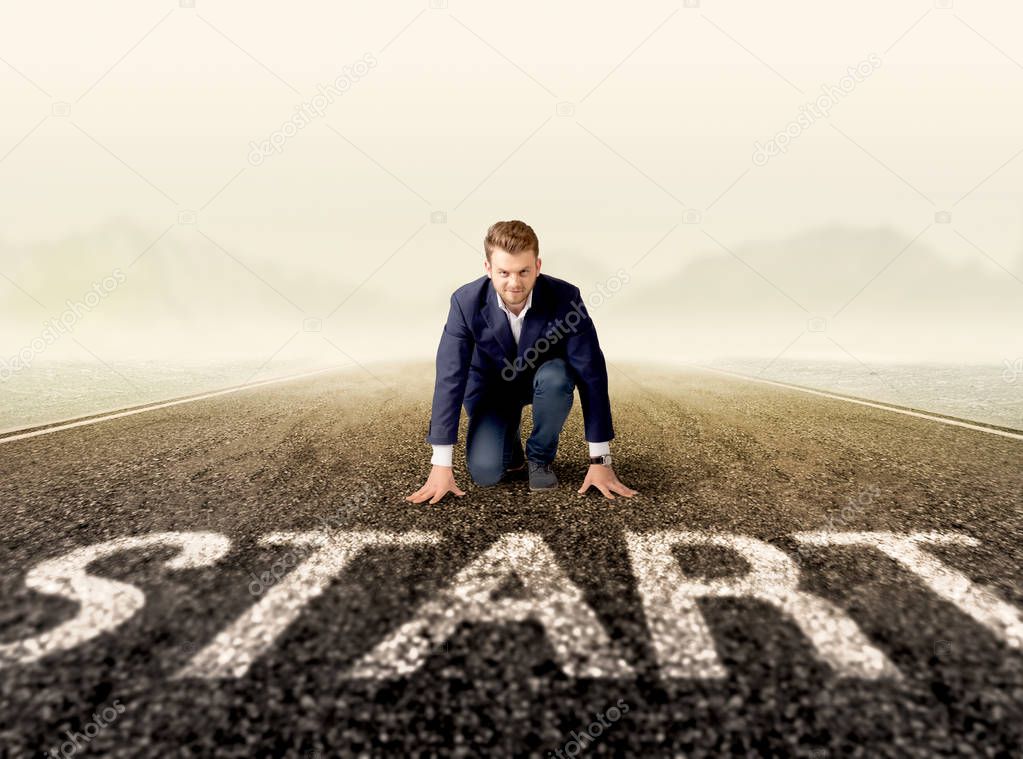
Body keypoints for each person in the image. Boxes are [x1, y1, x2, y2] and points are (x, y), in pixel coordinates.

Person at [405, 220, 638, 505]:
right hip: (490, 389)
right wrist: (441, 465)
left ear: (537, 266)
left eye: (523, 272)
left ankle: (540, 457)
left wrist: (601, 460)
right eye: (504, 272)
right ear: (488, 269)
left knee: (557, 377)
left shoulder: (566, 298)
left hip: (543, 380)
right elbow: (450, 377)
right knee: (486, 473)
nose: (514, 283)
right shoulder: (464, 303)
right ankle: (510, 444)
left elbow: (591, 373)